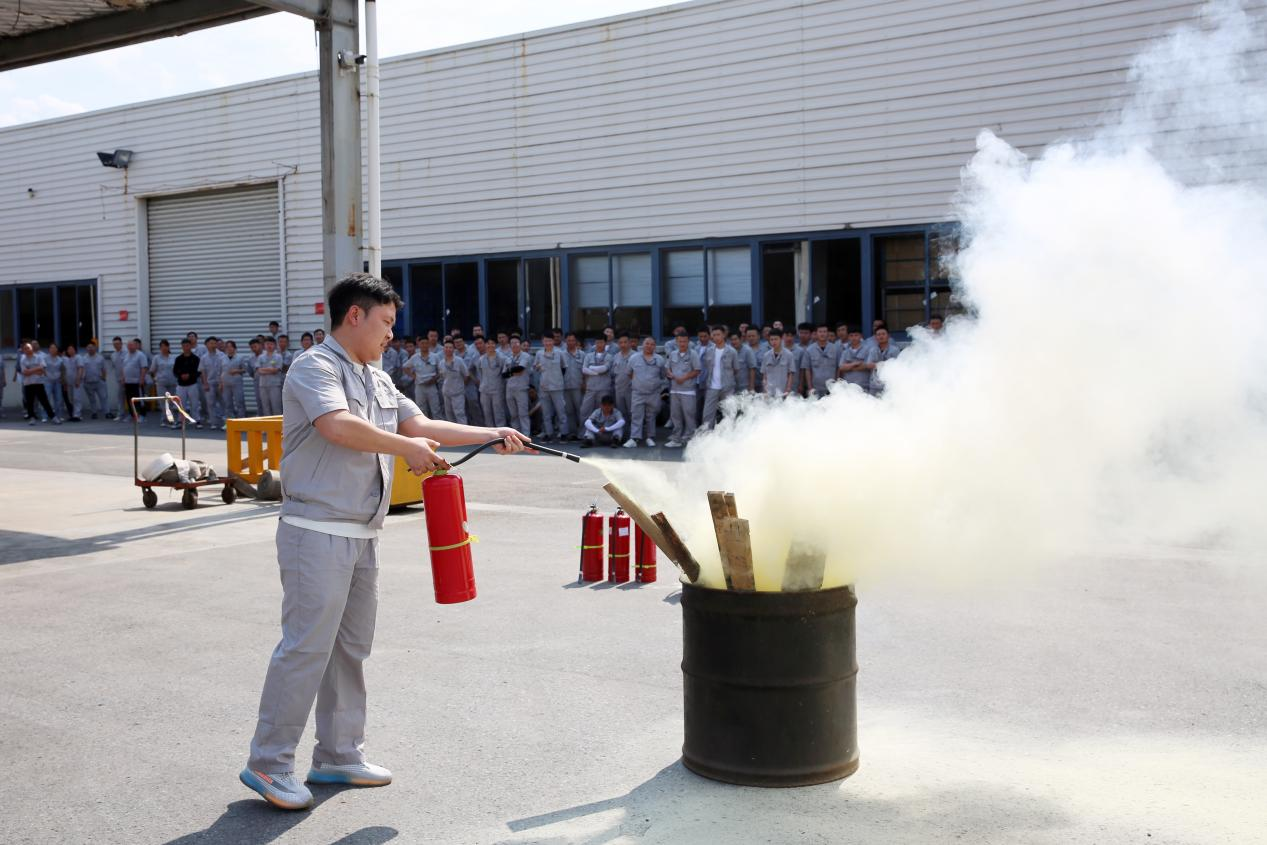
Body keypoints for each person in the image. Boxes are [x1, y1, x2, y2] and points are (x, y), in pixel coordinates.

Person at [241, 273, 529, 812]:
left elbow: (421, 423)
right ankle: (268, 762)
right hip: (316, 531)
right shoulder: (315, 367)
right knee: (305, 649)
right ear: (355, 316)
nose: (391, 335)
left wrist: (489, 434)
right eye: (386, 323)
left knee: (349, 651)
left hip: (361, 532)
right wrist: (407, 447)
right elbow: (338, 427)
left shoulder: (374, 376)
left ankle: (337, 755)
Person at [624, 336, 665, 448]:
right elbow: (629, 373)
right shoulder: (634, 358)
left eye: (652, 344)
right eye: (647, 343)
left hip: (653, 393)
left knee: (651, 416)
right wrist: (639, 382)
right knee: (636, 415)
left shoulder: (660, 359)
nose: (649, 346)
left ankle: (650, 437)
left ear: (655, 346)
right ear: (643, 345)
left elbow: (662, 375)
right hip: (638, 393)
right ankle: (634, 438)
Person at [665, 332, 701, 448]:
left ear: (688, 342)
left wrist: (684, 378)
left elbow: (697, 370)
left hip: (688, 390)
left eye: (684, 341)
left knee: (689, 415)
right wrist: (670, 374)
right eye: (680, 341)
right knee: (675, 415)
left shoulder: (693, 354)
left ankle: (689, 438)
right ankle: (676, 439)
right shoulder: (673, 354)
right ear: (676, 342)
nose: (682, 344)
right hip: (674, 390)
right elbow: (667, 368)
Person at [533, 334, 568, 441]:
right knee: (546, 412)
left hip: (557, 386)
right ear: (542, 342)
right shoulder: (539, 353)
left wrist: (557, 378)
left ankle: (564, 434)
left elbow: (564, 368)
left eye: (549, 340)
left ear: (553, 341)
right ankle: (549, 433)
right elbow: (535, 367)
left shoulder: (560, 352)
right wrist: (538, 367)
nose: (548, 343)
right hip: (544, 386)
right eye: (545, 341)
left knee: (561, 411)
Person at [19, 341, 58, 424]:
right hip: (28, 383)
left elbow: (42, 370)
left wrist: (30, 370)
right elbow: (24, 372)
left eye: (28, 348)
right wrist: (36, 369)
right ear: (23, 350)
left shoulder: (39, 357)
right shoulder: (22, 359)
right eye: (25, 348)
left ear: (32, 348)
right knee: (30, 402)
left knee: (44, 401)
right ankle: (32, 418)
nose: (27, 350)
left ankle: (53, 417)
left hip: (38, 383)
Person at [406, 338, 443, 421]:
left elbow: (441, 371)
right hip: (419, 386)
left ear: (429, 344)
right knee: (421, 409)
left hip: (432, 386)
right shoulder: (415, 357)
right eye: (422, 343)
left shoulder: (435, 356)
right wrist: (414, 376)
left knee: (436, 409)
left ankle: (439, 429)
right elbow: (405, 367)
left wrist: (435, 378)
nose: (424, 345)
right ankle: (424, 429)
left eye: (426, 343)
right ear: (419, 345)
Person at [503, 335, 533, 436]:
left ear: (520, 344)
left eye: (516, 342)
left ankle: (525, 435)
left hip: (521, 388)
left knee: (523, 414)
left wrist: (511, 371)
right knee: (513, 414)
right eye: (512, 343)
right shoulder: (508, 357)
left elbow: (520, 369)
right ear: (509, 345)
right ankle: (516, 435)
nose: (514, 345)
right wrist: (513, 372)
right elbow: (504, 374)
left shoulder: (525, 356)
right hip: (510, 388)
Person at [579, 336, 613, 422]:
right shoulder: (588, 356)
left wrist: (590, 367)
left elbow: (604, 369)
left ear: (605, 344)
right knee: (584, 411)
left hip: (604, 389)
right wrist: (597, 372)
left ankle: (601, 433)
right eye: (597, 342)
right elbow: (584, 370)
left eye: (601, 342)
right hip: (590, 389)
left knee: (603, 412)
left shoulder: (609, 356)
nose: (599, 345)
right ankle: (584, 433)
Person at [475, 342, 508, 428]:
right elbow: (480, 373)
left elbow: (505, 373)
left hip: (497, 389)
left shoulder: (502, 358)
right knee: (487, 413)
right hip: (484, 389)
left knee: (499, 413)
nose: (490, 345)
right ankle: (490, 435)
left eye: (492, 343)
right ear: (485, 345)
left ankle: (501, 434)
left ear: (496, 345)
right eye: (488, 343)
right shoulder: (481, 359)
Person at [803, 323, 839, 397]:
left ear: (828, 333)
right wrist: (810, 388)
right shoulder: (809, 350)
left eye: (824, 331)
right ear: (816, 334)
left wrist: (837, 385)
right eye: (820, 332)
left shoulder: (835, 349)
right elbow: (807, 370)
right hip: (816, 388)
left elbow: (838, 368)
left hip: (832, 388)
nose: (822, 334)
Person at [174, 338, 203, 427]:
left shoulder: (196, 358)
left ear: (190, 346)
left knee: (194, 403)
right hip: (181, 385)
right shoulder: (178, 359)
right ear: (182, 347)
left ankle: (197, 420)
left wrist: (189, 375)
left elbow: (199, 371)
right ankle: (180, 421)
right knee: (180, 403)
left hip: (192, 384)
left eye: (187, 345)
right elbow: (175, 370)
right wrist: (181, 375)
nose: (186, 347)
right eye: (184, 346)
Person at [438, 339, 468, 424]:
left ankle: (464, 434)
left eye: (450, 347)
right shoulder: (441, 363)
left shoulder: (459, 361)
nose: (448, 349)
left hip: (458, 392)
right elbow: (443, 376)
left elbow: (466, 375)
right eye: (446, 347)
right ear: (443, 349)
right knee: (449, 414)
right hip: (446, 392)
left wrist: (460, 386)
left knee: (460, 414)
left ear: (453, 349)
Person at [864, 326, 900, 395]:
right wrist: (884, 364)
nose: (881, 336)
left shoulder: (895, 350)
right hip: (874, 385)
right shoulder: (873, 350)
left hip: (889, 385)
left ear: (888, 336)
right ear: (875, 337)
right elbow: (868, 365)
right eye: (878, 334)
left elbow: (896, 366)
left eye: (883, 334)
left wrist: (876, 364)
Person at [760, 328, 797, 397]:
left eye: (776, 339)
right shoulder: (766, 355)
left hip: (783, 391)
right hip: (770, 392)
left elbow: (790, 374)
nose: (774, 342)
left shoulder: (789, 355)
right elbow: (764, 375)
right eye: (771, 339)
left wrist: (787, 390)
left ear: (781, 339)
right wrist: (765, 390)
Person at [201, 337, 228, 429]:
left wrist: (222, 382)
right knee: (210, 403)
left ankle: (225, 422)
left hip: (221, 382)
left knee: (223, 402)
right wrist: (205, 384)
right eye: (210, 343)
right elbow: (203, 371)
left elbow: (224, 370)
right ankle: (213, 422)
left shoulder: (222, 355)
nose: (213, 345)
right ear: (206, 345)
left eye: (214, 343)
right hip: (210, 383)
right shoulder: (204, 357)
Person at [561, 333, 584, 440]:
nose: (570, 342)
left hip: (578, 386)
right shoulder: (561, 355)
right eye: (568, 340)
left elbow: (585, 371)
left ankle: (582, 433)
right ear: (565, 342)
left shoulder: (582, 355)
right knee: (569, 411)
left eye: (572, 340)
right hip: (565, 387)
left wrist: (585, 383)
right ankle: (573, 433)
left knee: (581, 410)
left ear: (576, 342)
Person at [150, 340, 179, 426]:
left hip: (172, 382)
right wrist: (155, 378)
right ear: (160, 348)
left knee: (170, 401)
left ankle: (167, 418)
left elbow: (177, 369)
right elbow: (152, 370)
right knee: (164, 402)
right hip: (161, 383)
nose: (164, 348)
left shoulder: (173, 357)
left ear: (168, 347)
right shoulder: (156, 358)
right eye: (162, 346)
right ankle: (168, 420)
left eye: (165, 346)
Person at [609, 332, 635, 426]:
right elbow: (612, 374)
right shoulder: (616, 357)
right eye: (620, 343)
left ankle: (634, 435)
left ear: (630, 343)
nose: (623, 345)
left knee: (633, 413)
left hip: (631, 390)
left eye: (625, 342)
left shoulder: (636, 356)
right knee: (621, 414)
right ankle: (623, 435)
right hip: (619, 389)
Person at [121, 338, 150, 420]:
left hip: (137, 382)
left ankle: (142, 415)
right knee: (129, 399)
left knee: (140, 399)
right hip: (127, 382)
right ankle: (132, 414)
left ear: (135, 346)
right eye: (128, 346)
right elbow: (124, 368)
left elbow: (144, 368)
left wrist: (142, 379)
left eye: (131, 345)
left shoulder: (140, 355)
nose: (130, 347)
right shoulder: (126, 355)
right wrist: (123, 378)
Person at [79, 341, 109, 419]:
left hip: (99, 381)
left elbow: (104, 369)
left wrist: (104, 378)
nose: (90, 349)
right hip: (88, 382)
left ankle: (107, 412)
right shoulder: (83, 358)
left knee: (103, 397)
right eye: (88, 347)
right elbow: (81, 369)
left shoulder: (100, 357)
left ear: (95, 348)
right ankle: (94, 413)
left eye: (92, 347)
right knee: (92, 399)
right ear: (86, 349)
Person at [256, 337, 285, 417]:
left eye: (271, 344)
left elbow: (277, 370)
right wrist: (270, 369)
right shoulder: (261, 357)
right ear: (264, 345)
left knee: (276, 406)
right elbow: (258, 370)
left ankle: (278, 427)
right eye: (267, 344)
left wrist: (265, 369)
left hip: (274, 385)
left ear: (275, 345)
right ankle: (267, 428)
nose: (269, 346)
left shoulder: (278, 356)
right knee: (265, 407)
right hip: (263, 385)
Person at [224, 340, 248, 419]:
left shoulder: (240, 358)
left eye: (231, 347)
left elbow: (244, 369)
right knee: (227, 403)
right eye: (227, 347)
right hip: (226, 383)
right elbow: (220, 371)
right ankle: (229, 420)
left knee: (239, 401)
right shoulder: (222, 358)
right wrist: (220, 383)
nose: (229, 349)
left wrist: (236, 371)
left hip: (237, 383)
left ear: (234, 348)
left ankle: (241, 419)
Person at [44, 343, 67, 421]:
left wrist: (63, 380)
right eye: (51, 348)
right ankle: (45, 416)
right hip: (48, 381)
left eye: (54, 348)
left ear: (57, 350)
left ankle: (58, 415)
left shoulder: (60, 359)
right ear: (49, 349)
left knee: (58, 399)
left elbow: (63, 370)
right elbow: (42, 368)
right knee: (46, 398)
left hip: (57, 381)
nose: (53, 349)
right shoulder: (45, 358)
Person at [110, 336, 128, 420]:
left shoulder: (126, 353)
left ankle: (133, 414)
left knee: (129, 397)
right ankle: (121, 414)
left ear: (121, 344)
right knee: (120, 397)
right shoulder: (113, 355)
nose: (116, 345)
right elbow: (114, 367)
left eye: (117, 344)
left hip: (128, 379)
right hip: (119, 379)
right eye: (114, 344)